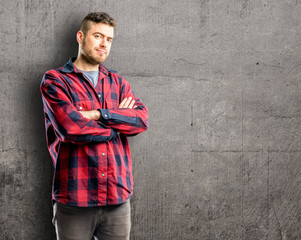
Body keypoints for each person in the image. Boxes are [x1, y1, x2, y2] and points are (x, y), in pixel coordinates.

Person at [40, 12, 148, 240]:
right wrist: (118, 122)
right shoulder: (56, 81)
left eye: (109, 39)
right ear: (80, 36)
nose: (104, 44)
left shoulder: (118, 83)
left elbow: (140, 120)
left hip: (117, 199)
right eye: (98, 36)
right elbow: (71, 129)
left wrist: (98, 114)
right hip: (75, 199)